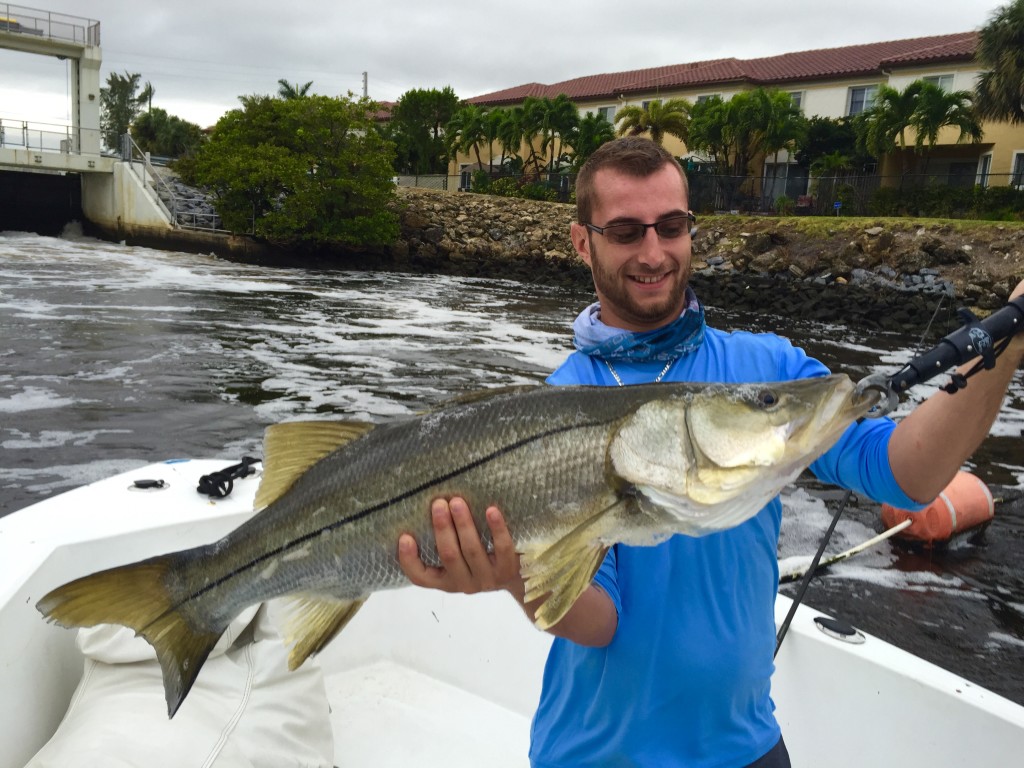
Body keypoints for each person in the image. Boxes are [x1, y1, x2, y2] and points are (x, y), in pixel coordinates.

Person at [397, 136, 1024, 767]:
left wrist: (1015, 327)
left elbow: (905, 474)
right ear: (582, 242)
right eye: (624, 231)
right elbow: (601, 621)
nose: (653, 252)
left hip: (749, 745)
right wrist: (513, 577)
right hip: (598, 755)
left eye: (671, 226)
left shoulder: (769, 370)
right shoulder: (560, 406)